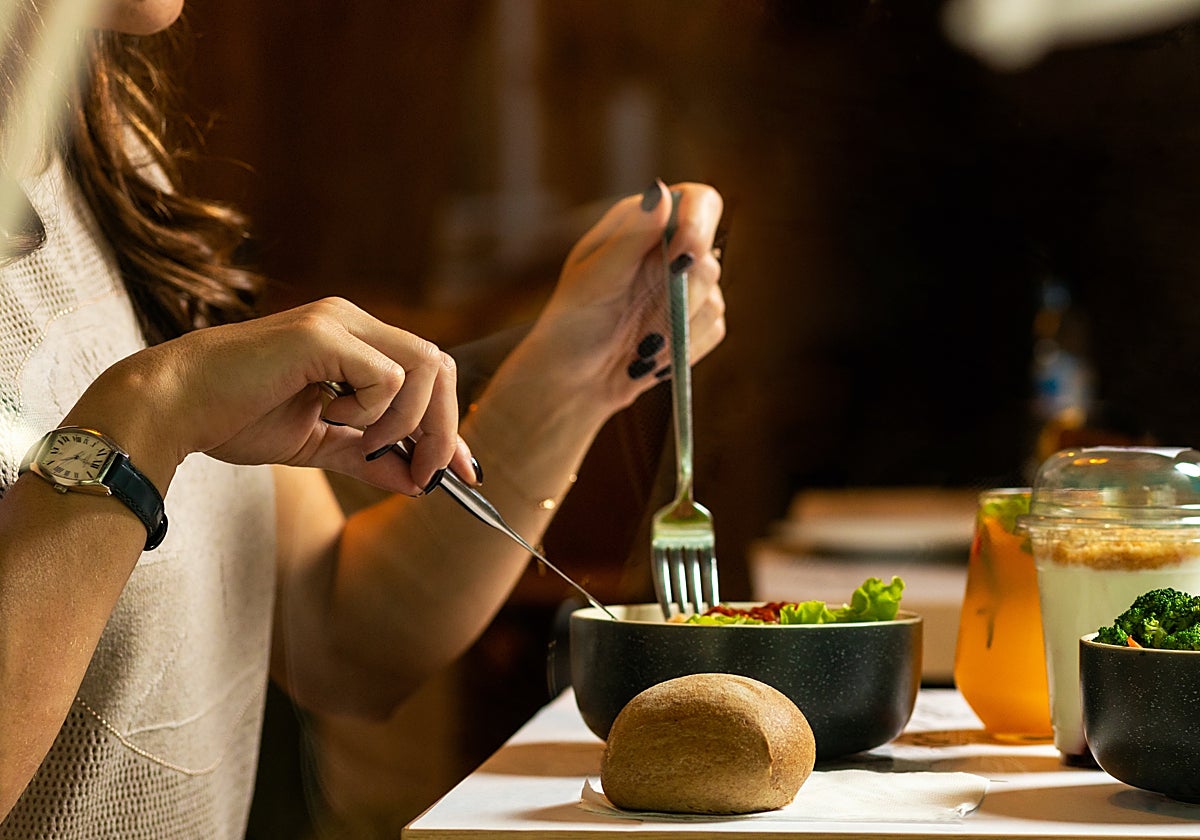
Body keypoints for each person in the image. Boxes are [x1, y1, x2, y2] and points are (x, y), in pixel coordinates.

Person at [0, 1, 726, 837]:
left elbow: (338, 632)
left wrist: (580, 369)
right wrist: (149, 416)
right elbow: (153, 415)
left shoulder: (96, 154)